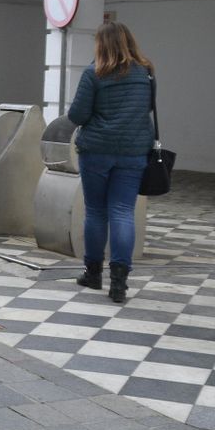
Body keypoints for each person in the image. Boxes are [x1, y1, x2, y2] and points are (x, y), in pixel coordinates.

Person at [67, 21, 154, 304]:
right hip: (133, 151)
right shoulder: (145, 73)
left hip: (96, 151)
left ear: (101, 44)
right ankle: (119, 283)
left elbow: (77, 115)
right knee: (122, 212)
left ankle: (93, 274)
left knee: (95, 211)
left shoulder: (93, 72)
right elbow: (146, 108)